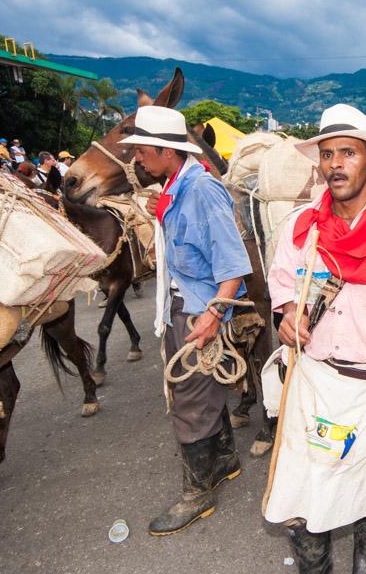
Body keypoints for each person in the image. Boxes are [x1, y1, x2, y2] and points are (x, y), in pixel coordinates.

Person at [264, 104, 366, 573]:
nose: (334, 164)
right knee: (306, 497)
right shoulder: (301, 226)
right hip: (314, 380)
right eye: (327, 154)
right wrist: (287, 314)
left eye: (347, 153)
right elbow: (283, 281)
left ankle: (363, 560)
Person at [119, 105, 253, 536]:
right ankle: (226, 460)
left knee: (188, 398)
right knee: (205, 388)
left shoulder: (201, 190)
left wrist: (214, 314)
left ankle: (197, 494)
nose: (137, 159)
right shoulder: (177, 184)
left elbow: (233, 264)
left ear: (165, 151)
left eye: (141, 151)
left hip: (198, 309)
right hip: (184, 304)